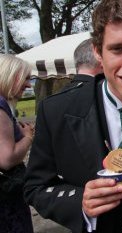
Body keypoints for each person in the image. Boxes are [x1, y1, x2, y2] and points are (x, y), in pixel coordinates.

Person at [24, 0, 122, 232]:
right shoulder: (56, 111)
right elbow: (36, 187)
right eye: (118, 49)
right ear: (97, 51)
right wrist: (80, 203)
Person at [0, 54, 34, 232]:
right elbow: (7, 159)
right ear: (9, 75)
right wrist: (28, 136)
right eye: (25, 78)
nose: (28, 84)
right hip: (7, 205)